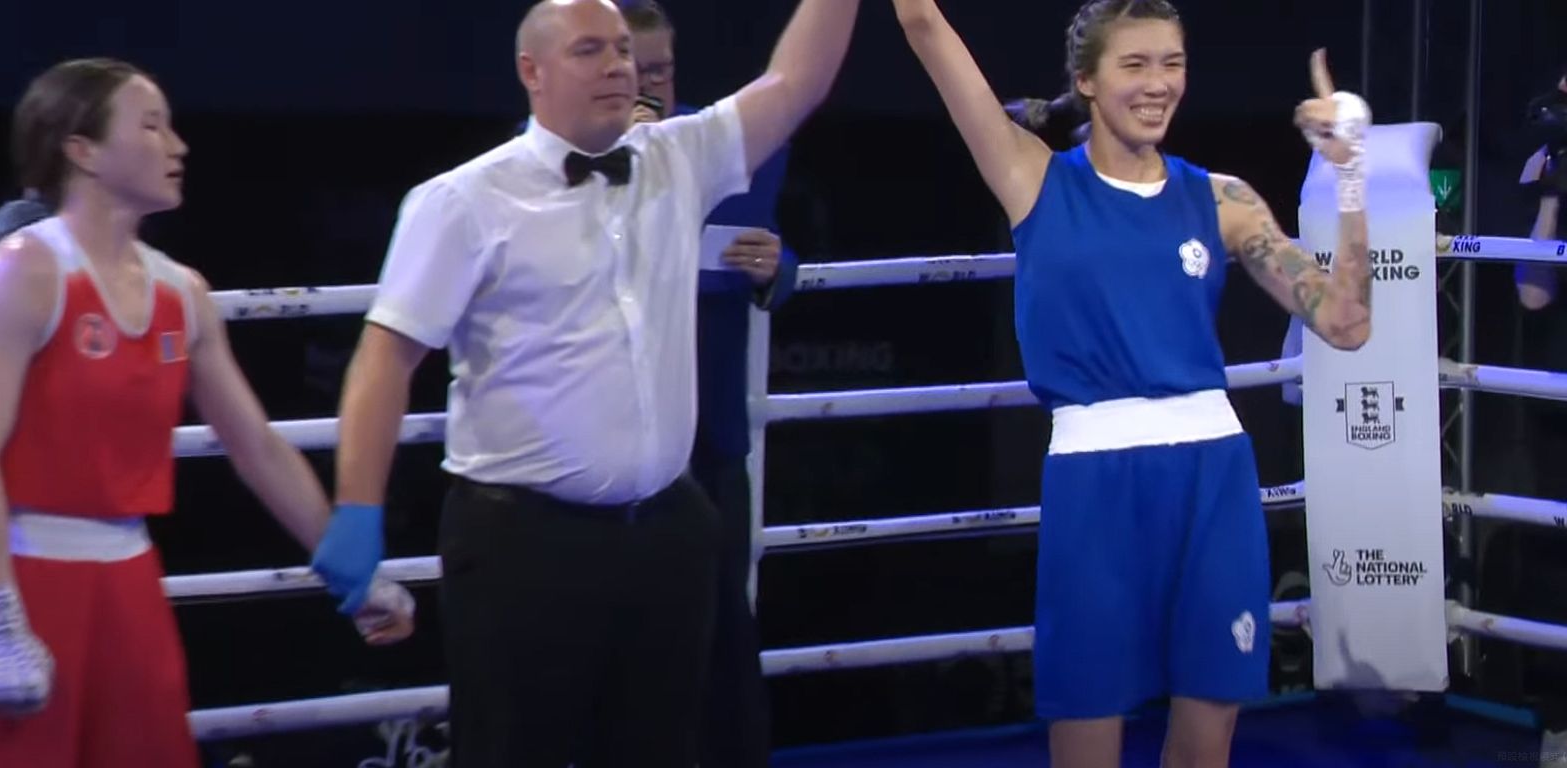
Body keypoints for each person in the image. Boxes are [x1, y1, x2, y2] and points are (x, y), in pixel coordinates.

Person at [329, 0, 858, 764]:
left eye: (622, 50)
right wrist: (356, 511)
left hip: (666, 535)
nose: (617, 66)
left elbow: (796, 81)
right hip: (523, 545)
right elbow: (385, 357)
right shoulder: (463, 200)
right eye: (589, 50)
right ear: (532, 71)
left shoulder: (680, 158)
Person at [890, 1, 1374, 766]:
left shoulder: (1222, 199)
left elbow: (1346, 323)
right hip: (1095, 483)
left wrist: (1350, 175)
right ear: (1086, 79)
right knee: (1086, 740)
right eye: (1136, 64)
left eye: (1172, 64)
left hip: (1213, 478)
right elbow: (923, 23)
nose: (1158, 84)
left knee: (1205, 750)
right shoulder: (1032, 176)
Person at [0, 58, 414, 768]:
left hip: (129, 580)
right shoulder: (20, 271)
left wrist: (351, 574)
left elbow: (256, 447)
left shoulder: (183, 292)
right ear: (82, 150)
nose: (178, 146)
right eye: (151, 126)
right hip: (19, 575)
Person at [620, 2, 797, 765]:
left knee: (724, 637)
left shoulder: (717, 145)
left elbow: (769, 251)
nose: (651, 88)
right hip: (606, 454)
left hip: (709, 442)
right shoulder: (556, 164)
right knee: (619, 649)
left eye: (661, 71)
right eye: (636, 72)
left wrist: (775, 267)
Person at [1509, 67, 1567, 768]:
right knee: (1558, 558)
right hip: (1562, 396)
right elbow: (1530, 295)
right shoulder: (1545, 160)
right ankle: (1561, 722)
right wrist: (1551, 198)